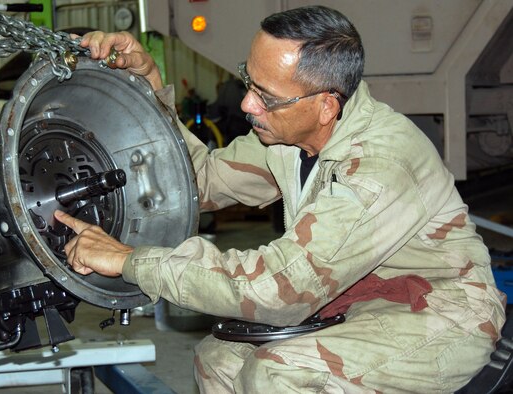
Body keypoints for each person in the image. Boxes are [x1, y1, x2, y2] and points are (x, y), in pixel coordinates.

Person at [55, 6, 506, 393]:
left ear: (326, 105)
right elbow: (198, 181)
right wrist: (149, 85)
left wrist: (133, 261)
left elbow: (279, 290)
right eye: (249, 82)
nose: (249, 105)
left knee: (278, 374)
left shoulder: (377, 167)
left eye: (266, 96)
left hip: (442, 313)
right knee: (219, 358)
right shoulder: (292, 136)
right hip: (362, 299)